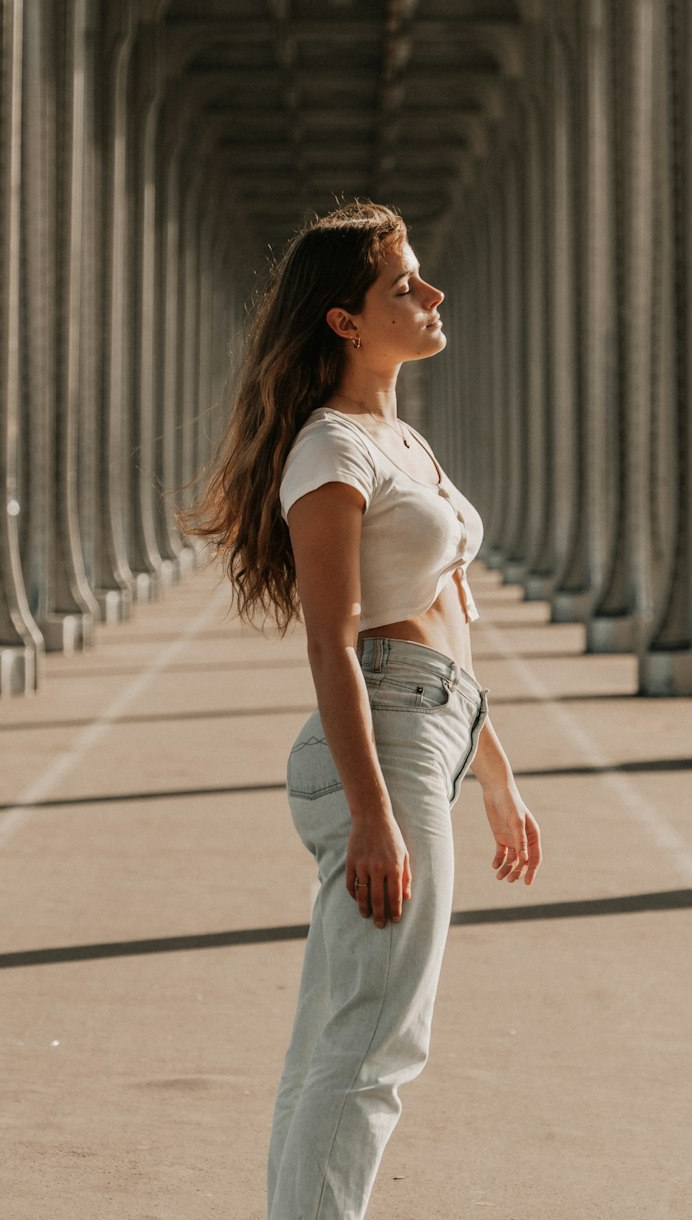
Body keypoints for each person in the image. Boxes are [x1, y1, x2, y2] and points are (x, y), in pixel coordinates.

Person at [182, 201, 541, 1220]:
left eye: (422, 278)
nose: (430, 295)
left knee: (341, 1035)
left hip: (430, 725)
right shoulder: (329, 452)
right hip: (382, 742)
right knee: (377, 1039)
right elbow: (336, 641)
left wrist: (496, 771)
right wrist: (374, 809)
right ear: (344, 320)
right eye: (402, 285)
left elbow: (442, 617)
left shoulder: (402, 440)